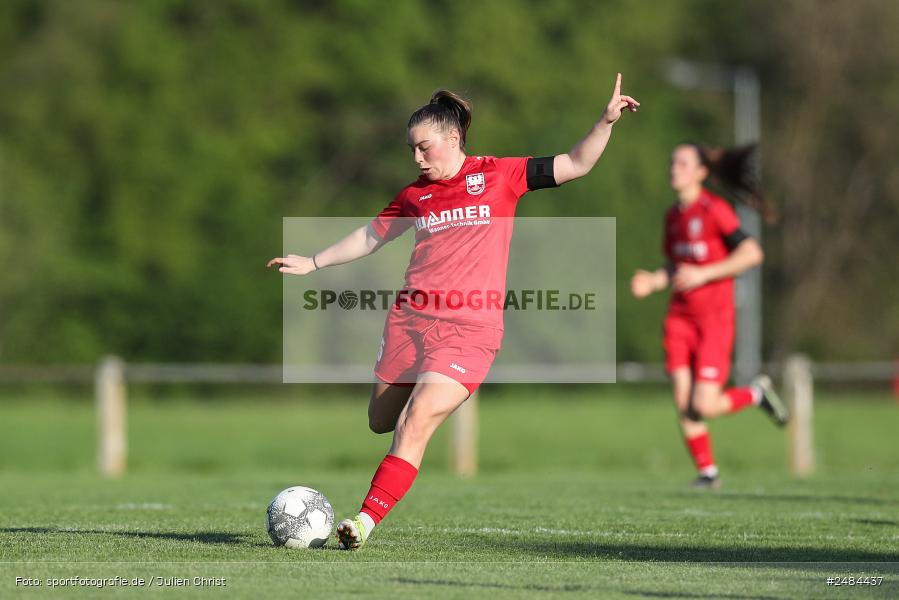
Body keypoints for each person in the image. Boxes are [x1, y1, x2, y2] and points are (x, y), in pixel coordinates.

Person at [268, 74, 639, 549]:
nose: (417, 159)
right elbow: (370, 236)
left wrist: (605, 123)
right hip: (409, 320)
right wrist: (313, 261)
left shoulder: (502, 174)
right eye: (411, 150)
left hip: (470, 329)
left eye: (424, 148)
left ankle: (362, 521)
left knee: (415, 420)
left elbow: (575, 163)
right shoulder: (414, 195)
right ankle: (386, 474)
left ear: (453, 138)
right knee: (381, 421)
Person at [630, 143, 789, 489]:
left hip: (714, 320)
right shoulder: (673, 216)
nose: (674, 168)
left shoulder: (714, 210)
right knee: (683, 403)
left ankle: (755, 395)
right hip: (679, 319)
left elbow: (752, 253)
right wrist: (655, 280)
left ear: (701, 172)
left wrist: (706, 274)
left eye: (683, 163)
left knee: (704, 405)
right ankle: (708, 473)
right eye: (672, 162)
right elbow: (675, 265)